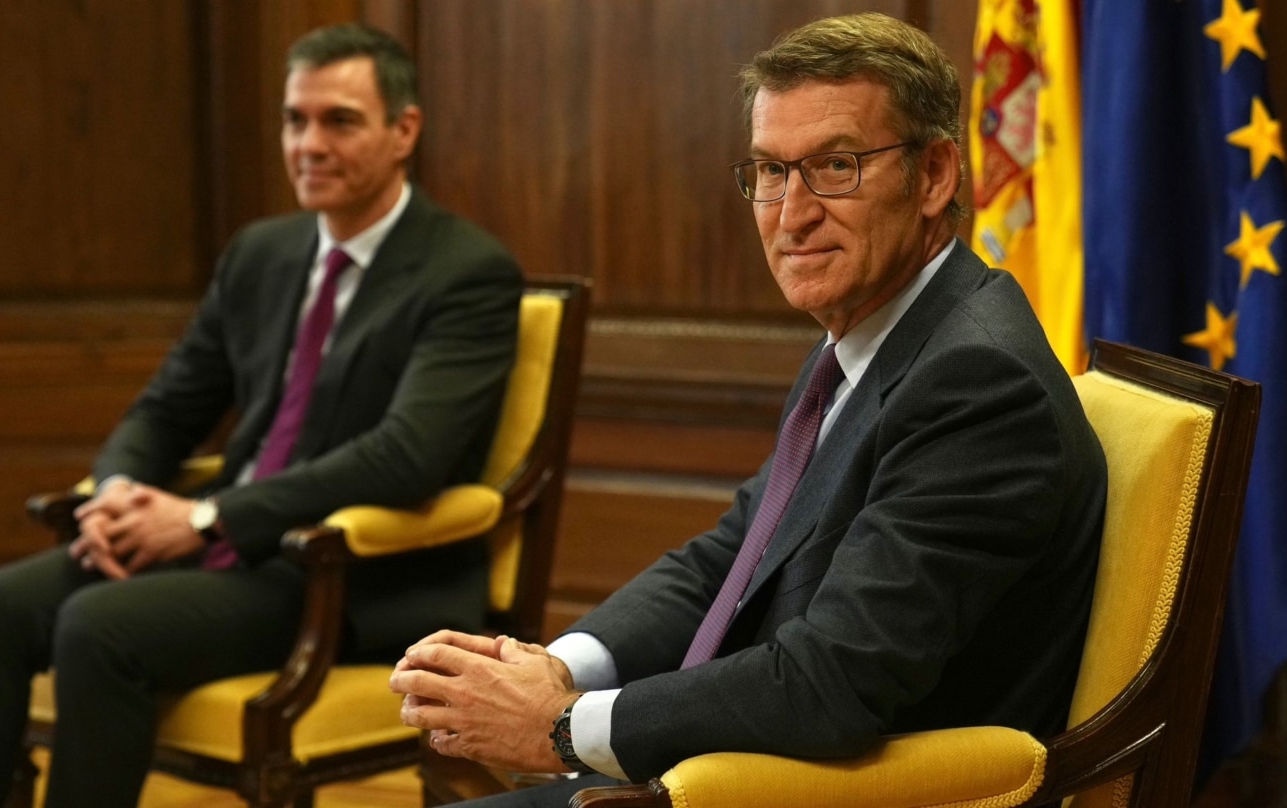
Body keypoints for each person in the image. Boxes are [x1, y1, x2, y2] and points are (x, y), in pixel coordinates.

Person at [388, 12, 1107, 806]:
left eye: (836, 167)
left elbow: (833, 683)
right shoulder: (872, 335)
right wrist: (561, 667)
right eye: (770, 171)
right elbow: (729, 562)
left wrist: (562, 726)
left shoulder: (975, 384)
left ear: (935, 175)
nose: (791, 214)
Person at [0, 23, 523, 808]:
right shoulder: (260, 254)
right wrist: (117, 491)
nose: (309, 144)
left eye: (339, 120)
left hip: (342, 569)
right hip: (228, 545)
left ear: (404, 130)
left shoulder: (466, 271)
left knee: (101, 627)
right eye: (294, 120)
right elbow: (168, 406)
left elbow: (406, 455)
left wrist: (204, 518)